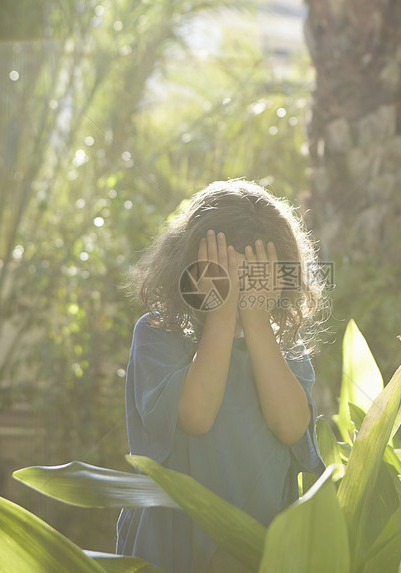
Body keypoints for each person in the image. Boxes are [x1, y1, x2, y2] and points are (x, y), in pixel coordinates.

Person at [116, 180, 328, 573]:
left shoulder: (283, 350)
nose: (238, 287)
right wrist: (222, 312)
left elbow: (291, 426)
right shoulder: (158, 335)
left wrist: (256, 320)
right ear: (189, 269)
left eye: (252, 277)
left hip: (256, 549)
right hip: (172, 547)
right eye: (224, 273)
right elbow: (196, 414)